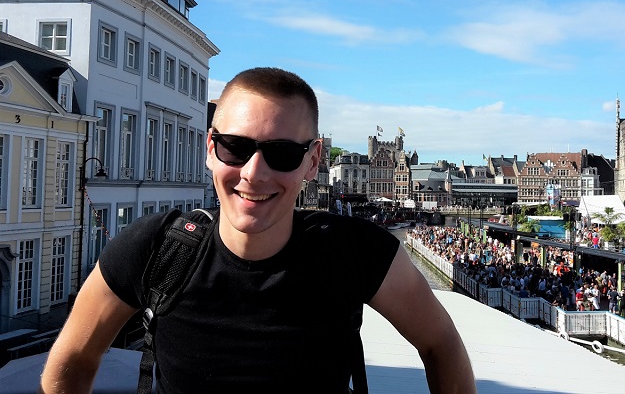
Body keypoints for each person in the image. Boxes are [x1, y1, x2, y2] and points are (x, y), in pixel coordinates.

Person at [40, 68, 477, 393]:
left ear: (313, 161)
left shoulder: (355, 252)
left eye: (282, 153)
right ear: (211, 148)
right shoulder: (154, 247)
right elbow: (73, 358)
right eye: (236, 146)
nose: (254, 173)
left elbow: (442, 345)